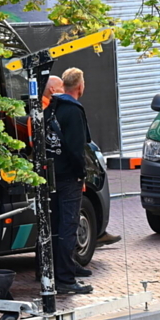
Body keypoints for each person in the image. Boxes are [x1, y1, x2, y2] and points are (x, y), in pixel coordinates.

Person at [48, 67, 93, 294]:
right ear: (80, 86)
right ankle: (65, 279)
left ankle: (58, 269)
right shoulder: (73, 111)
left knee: (55, 225)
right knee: (68, 225)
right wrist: (81, 174)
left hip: (50, 175)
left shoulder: (51, 108)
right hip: (68, 176)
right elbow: (77, 149)